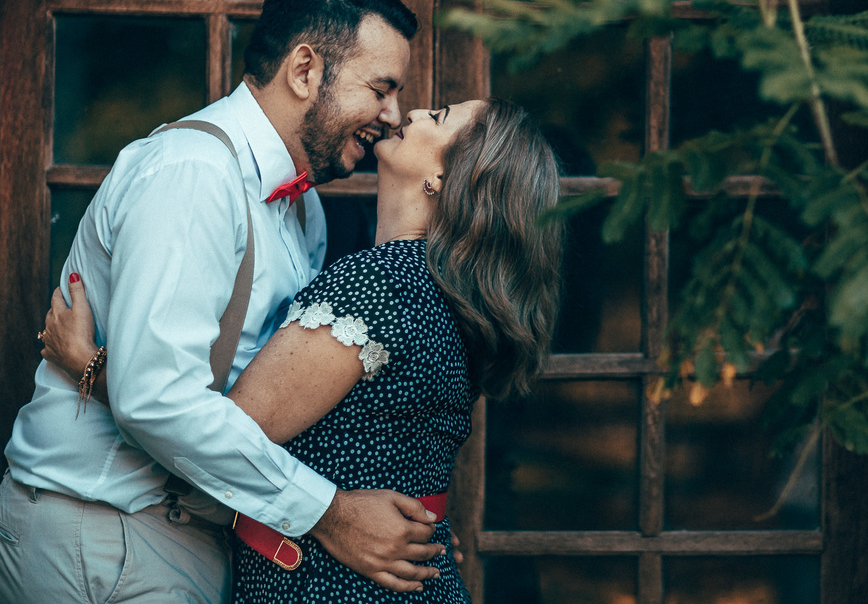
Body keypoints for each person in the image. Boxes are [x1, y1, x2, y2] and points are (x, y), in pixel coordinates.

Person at [0, 0, 452, 604]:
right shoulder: (192, 175)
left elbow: (261, 397)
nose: (393, 115)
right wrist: (332, 515)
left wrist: (94, 367)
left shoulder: (304, 209)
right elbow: (157, 399)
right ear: (304, 70)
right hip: (105, 533)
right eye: (381, 89)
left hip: (191, 536)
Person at [42, 97, 564, 602]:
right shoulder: (445, 291)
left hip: (335, 586)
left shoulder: (380, 282)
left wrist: (89, 364)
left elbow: (230, 432)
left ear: (445, 179)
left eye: (440, 116)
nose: (413, 111)